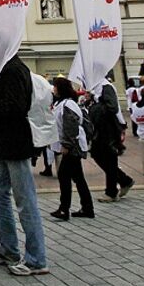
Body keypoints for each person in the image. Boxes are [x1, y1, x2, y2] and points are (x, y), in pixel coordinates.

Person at [0, 57, 49, 277]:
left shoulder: (12, 70)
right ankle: (8, 248)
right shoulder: (6, 68)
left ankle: (36, 259)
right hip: (6, 145)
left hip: (15, 144)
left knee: (25, 200)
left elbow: (16, 107)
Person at [49, 78, 94, 220]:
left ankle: (64, 209)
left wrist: (66, 145)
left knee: (64, 175)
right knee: (78, 177)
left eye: (55, 87)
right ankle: (87, 208)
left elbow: (70, 126)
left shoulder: (67, 105)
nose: (53, 89)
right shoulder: (64, 104)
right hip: (74, 144)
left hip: (73, 146)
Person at [88, 77, 134, 202]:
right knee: (98, 155)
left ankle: (112, 191)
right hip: (101, 129)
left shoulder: (106, 87)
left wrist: (95, 107)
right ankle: (124, 180)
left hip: (108, 129)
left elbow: (112, 107)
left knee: (109, 159)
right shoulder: (97, 88)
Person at [28, 70, 57, 177]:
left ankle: (45, 165)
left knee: (46, 149)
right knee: (45, 149)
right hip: (44, 123)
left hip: (45, 124)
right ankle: (46, 166)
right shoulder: (45, 90)